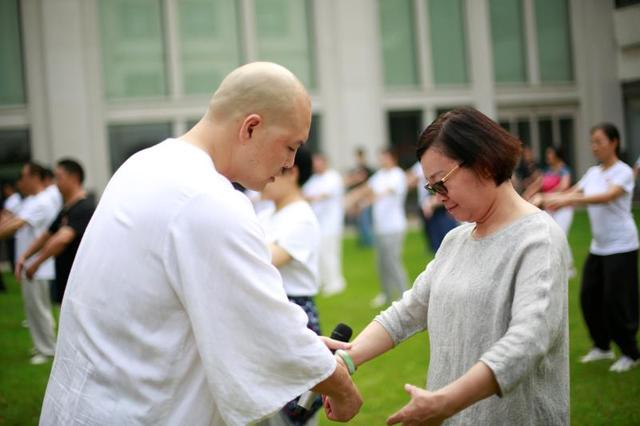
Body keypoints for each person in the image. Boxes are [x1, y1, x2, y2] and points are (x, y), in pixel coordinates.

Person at [40, 62, 362, 425]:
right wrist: (343, 389)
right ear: (251, 127)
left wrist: (302, 348)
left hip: (90, 401)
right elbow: (269, 331)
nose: (290, 163)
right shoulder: (209, 199)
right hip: (139, 409)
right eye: (290, 146)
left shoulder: (143, 164)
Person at [343, 108, 570, 425]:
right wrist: (346, 360)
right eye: (431, 188)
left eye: (441, 183)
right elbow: (409, 310)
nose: (438, 196)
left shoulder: (538, 240)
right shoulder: (455, 240)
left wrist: (446, 402)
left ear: (484, 163)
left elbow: (527, 342)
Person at [546, 123, 640, 373]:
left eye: (599, 141)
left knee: (616, 301)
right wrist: (549, 198)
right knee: (589, 297)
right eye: (592, 141)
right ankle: (602, 347)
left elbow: (606, 197)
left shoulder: (623, 172)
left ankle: (631, 353)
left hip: (622, 245)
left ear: (614, 142)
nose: (594, 146)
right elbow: (573, 190)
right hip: (599, 247)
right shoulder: (593, 172)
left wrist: (565, 199)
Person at [258, 146, 324, 425]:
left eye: (269, 168)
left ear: (292, 171)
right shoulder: (266, 215)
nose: (261, 176)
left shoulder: (302, 217)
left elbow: (266, 259)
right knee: (269, 405)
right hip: (267, 312)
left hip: (293, 313)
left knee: (296, 410)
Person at [0, 162, 60, 365]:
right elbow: (13, 220)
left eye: (24, 176)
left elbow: (16, 224)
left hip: (38, 266)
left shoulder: (41, 202)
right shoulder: (33, 201)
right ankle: (43, 345)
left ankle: (48, 349)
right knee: (34, 310)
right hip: (32, 265)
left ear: (35, 177)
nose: (21, 181)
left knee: (39, 310)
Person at [15, 159, 95, 305]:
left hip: (80, 282)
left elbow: (62, 239)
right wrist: (25, 256)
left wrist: (36, 263)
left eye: (59, 177)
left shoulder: (85, 207)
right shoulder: (66, 209)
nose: (55, 182)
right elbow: (47, 234)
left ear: (74, 177)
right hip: (66, 280)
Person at [347, 148, 409, 308]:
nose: (382, 160)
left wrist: (367, 200)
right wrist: (353, 200)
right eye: (381, 158)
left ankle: (406, 296)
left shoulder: (398, 175)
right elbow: (366, 189)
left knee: (393, 262)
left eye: (385, 157)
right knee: (381, 263)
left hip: (394, 227)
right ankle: (387, 296)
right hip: (380, 228)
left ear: (392, 158)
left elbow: (385, 192)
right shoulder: (379, 176)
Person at [303, 153, 347, 296]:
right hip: (318, 224)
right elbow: (304, 193)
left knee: (330, 253)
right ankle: (324, 281)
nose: (315, 165)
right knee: (320, 253)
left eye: (318, 162)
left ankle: (336, 282)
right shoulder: (314, 179)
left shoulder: (333, 177)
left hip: (331, 223)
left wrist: (310, 198)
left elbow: (324, 194)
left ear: (324, 162)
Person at [406, 161, 458, 253]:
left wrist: (431, 203)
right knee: (435, 245)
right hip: (427, 208)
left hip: (442, 209)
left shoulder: (441, 161)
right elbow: (409, 182)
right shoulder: (419, 166)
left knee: (450, 242)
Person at [524, 145, 574, 234]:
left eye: (550, 153)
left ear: (557, 155)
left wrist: (544, 196)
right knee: (549, 236)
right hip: (548, 208)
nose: (547, 155)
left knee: (560, 235)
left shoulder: (564, 171)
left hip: (562, 208)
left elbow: (563, 186)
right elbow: (536, 185)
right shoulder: (547, 171)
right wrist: (525, 196)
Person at [344, 147, 374, 247]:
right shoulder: (355, 170)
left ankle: (368, 241)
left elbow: (371, 185)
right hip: (357, 199)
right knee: (359, 220)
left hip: (366, 199)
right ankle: (362, 240)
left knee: (365, 219)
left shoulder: (368, 170)